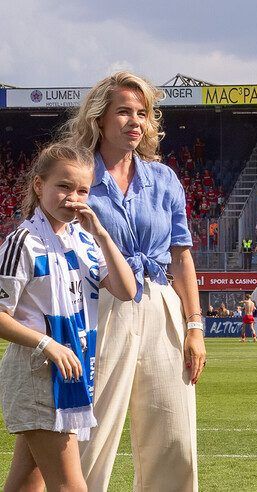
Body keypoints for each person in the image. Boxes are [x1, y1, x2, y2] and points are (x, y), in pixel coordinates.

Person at [66, 71, 206, 491]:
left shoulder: (164, 179)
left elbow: (181, 256)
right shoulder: (78, 176)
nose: (134, 121)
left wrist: (195, 326)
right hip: (101, 303)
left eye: (141, 113)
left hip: (162, 304)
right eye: (123, 111)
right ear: (99, 119)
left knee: (174, 434)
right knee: (93, 433)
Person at [0, 143, 136, 492]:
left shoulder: (85, 242)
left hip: (72, 368)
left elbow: (127, 290)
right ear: (38, 186)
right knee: (70, 487)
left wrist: (102, 234)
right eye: (63, 186)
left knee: (26, 485)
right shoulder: (23, 242)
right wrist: (46, 344)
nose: (73, 197)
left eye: (82, 190)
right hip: (36, 371)